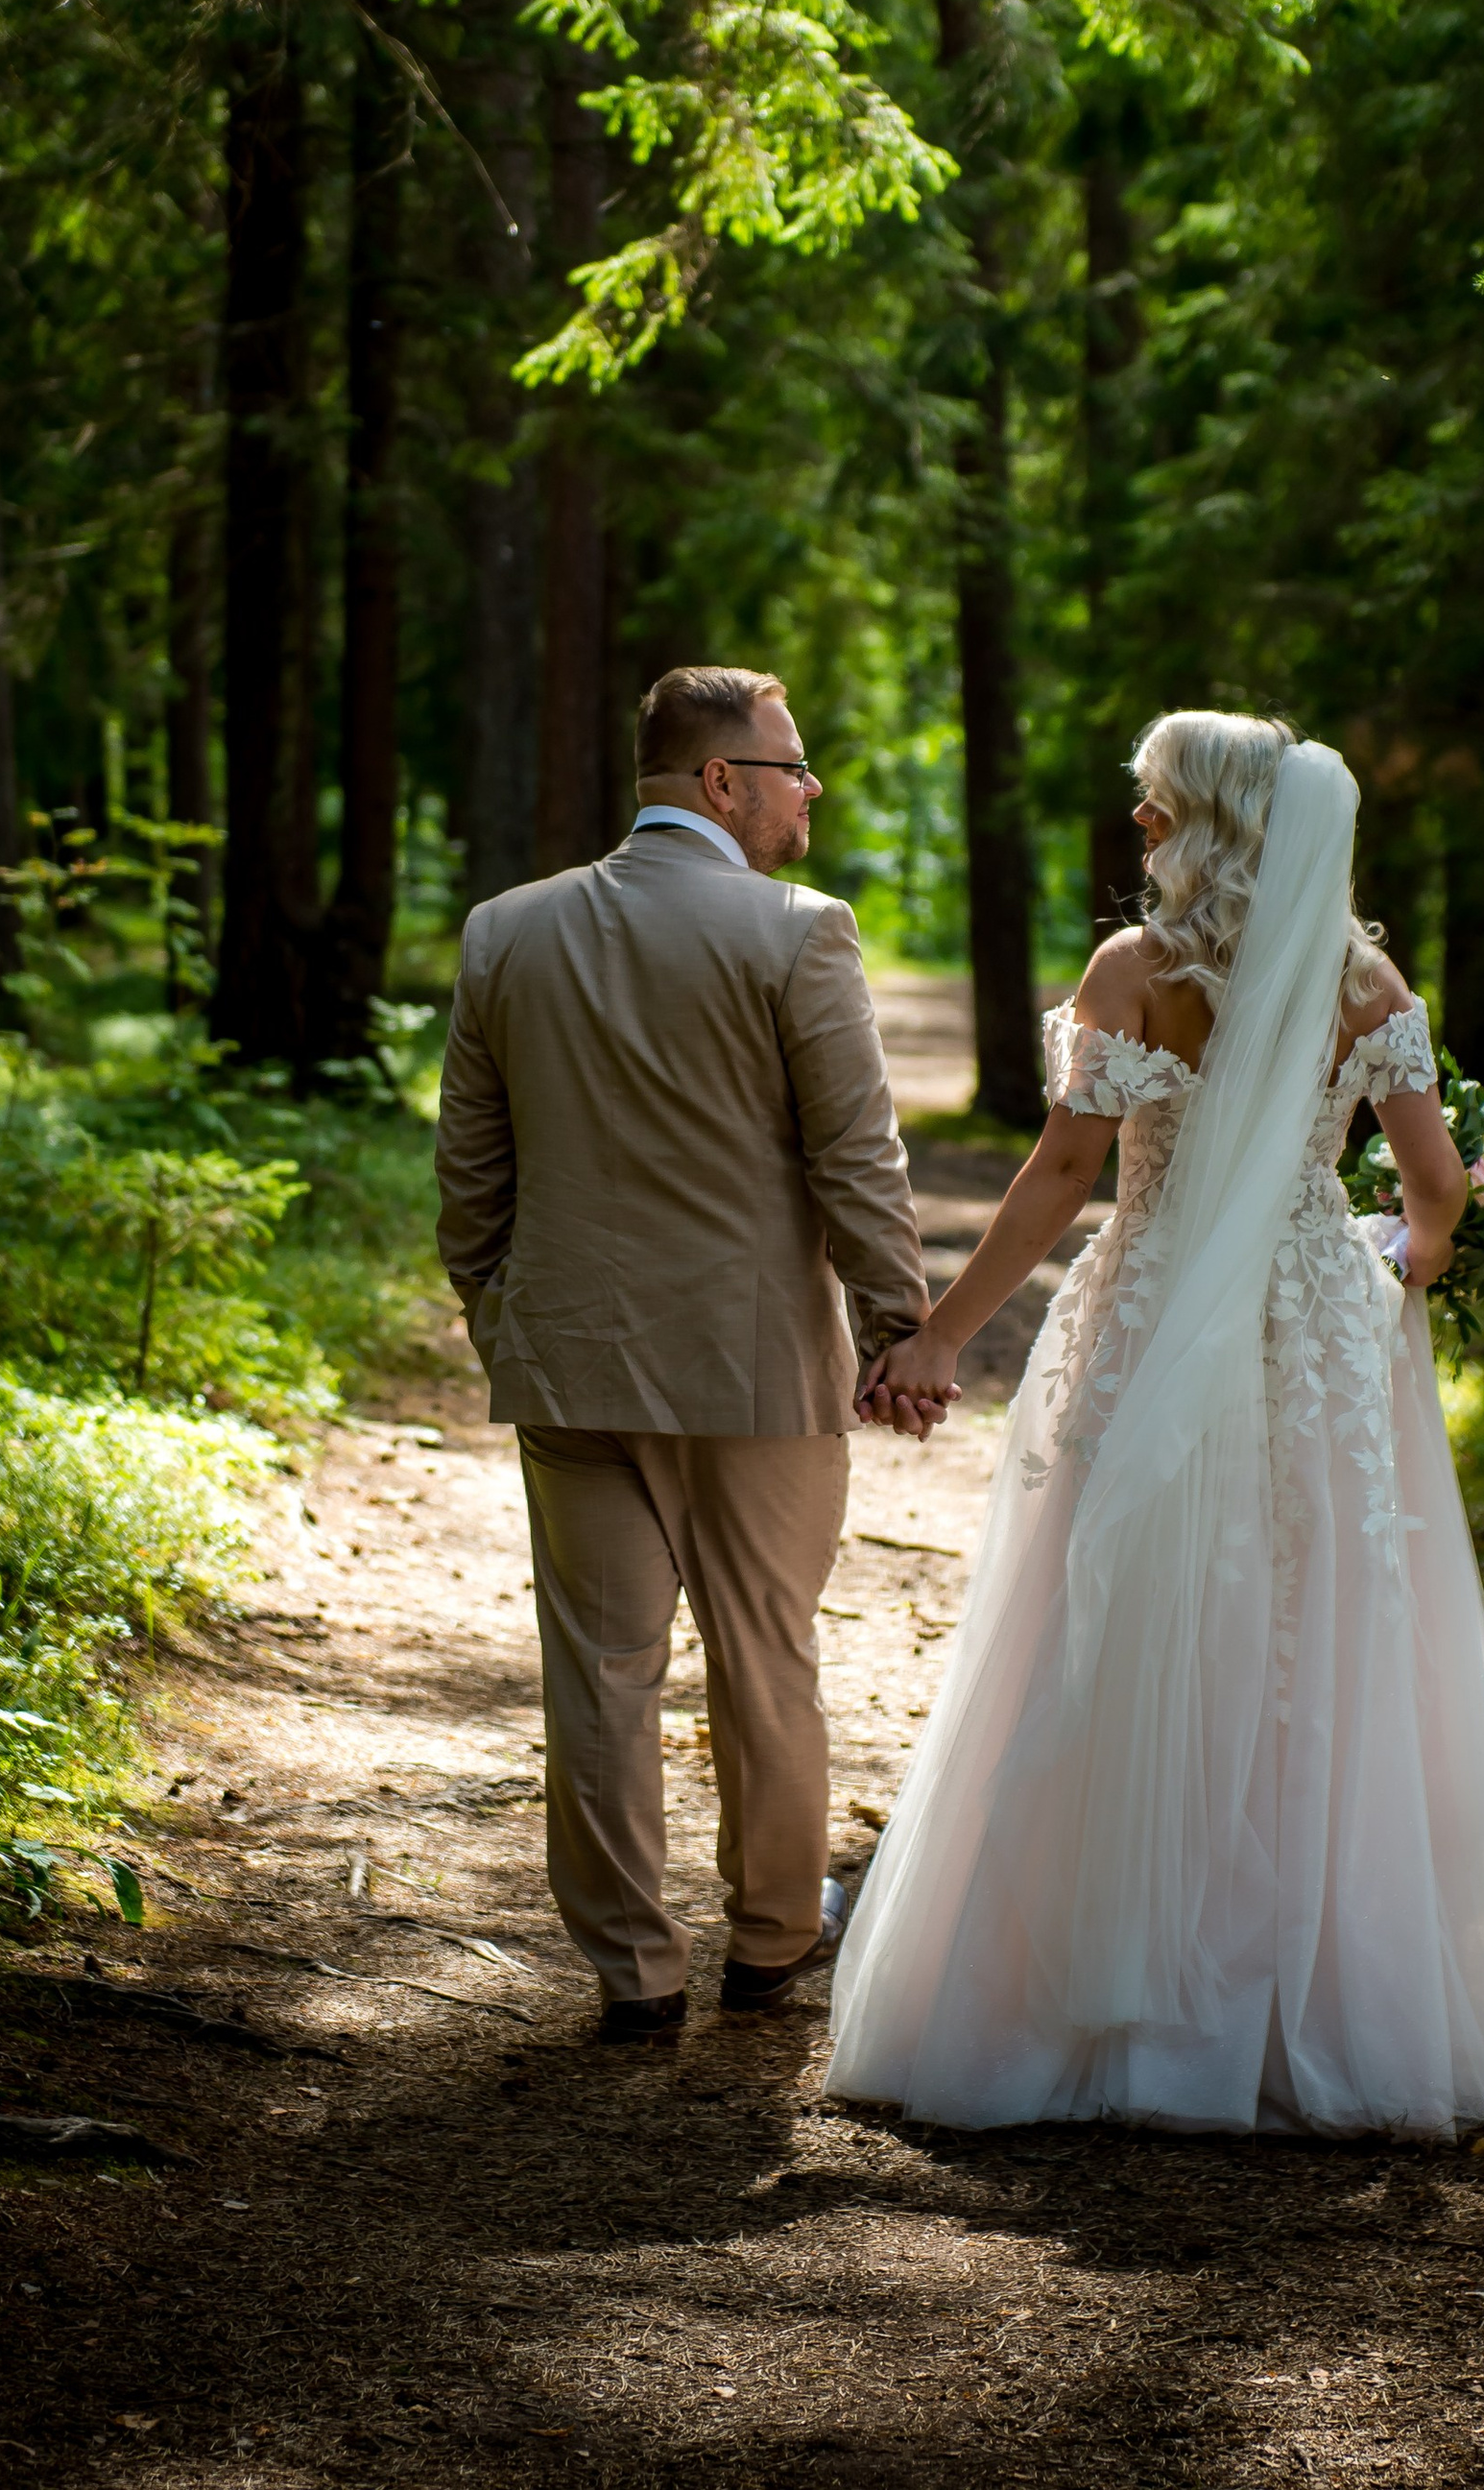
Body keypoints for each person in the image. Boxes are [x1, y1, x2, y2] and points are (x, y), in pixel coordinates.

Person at [827, 709, 1484, 2138]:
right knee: (1309, 1621)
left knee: (1116, 1603)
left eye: (1158, 804)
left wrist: (943, 1326)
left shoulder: (1137, 969)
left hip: (1157, 1296)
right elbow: (1429, 1180)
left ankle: (1105, 1990)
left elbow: (1064, 1171)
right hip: (1307, 1319)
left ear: (1217, 818)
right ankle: (1296, 2010)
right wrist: (1413, 1253)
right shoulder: (1361, 981)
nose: (1142, 826)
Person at [435, 663, 934, 2047]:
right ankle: (773, 1942)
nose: (810, 789)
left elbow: (471, 1170)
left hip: (574, 1363)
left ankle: (633, 1972)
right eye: (792, 766)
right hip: (758, 1372)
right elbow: (856, 1156)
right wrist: (900, 1327)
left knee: (598, 1668)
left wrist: (499, 1310)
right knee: (765, 1654)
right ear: (722, 782)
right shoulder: (799, 933)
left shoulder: (507, 932)